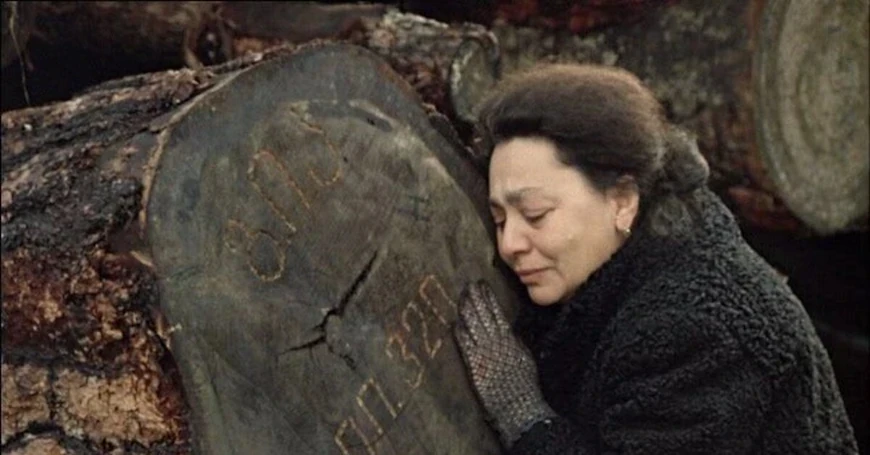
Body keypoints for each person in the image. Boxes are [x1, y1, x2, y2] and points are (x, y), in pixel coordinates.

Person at [453, 64, 859, 454]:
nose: (509, 244)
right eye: (500, 219)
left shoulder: (697, 330)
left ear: (622, 201)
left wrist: (525, 417)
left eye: (535, 214)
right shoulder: (641, 255)